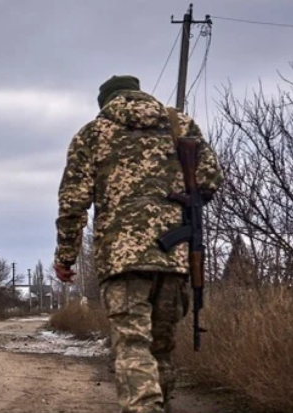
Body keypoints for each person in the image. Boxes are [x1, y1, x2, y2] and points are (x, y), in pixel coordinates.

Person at [53, 75, 223, 413]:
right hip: (174, 255)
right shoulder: (180, 124)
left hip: (122, 260)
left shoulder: (93, 133)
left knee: (132, 345)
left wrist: (66, 257)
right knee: (161, 347)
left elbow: (73, 202)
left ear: (105, 102)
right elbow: (210, 180)